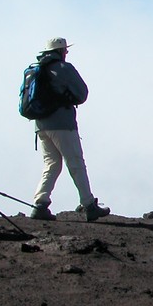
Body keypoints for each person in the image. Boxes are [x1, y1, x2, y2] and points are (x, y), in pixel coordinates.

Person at [29, 38, 110, 221]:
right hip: (62, 124)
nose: (66, 53)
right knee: (76, 163)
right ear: (60, 51)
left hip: (41, 125)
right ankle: (89, 205)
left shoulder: (37, 69)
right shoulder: (64, 68)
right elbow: (82, 93)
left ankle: (40, 204)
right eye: (65, 50)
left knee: (51, 164)